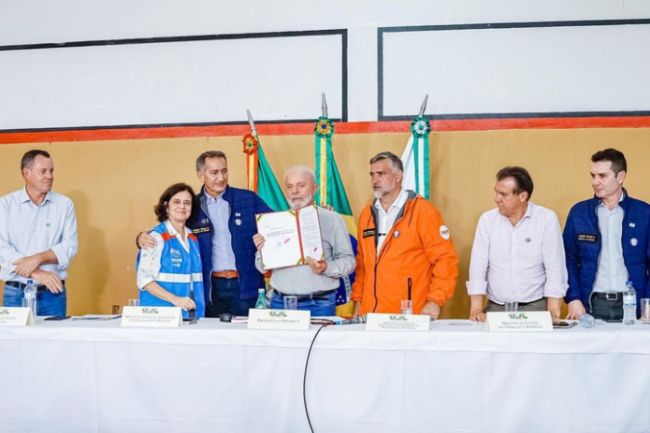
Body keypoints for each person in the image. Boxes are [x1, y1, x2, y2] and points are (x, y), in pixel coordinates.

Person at [138, 151, 272, 316]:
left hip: (246, 286)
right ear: (201, 175)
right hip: (210, 289)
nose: (221, 177)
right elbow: (171, 228)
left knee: (248, 331)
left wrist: (266, 239)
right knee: (210, 331)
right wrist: (141, 238)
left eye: (224, 171)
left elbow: (276, 224)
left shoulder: (248, 199)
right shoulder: (191, 205)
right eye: (214, 172)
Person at [351, 151, 458, 319]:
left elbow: (445, 259)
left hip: (408, 314)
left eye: (381, 174)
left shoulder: (423, 211)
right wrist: (358, 302)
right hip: (371, 316)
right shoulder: (367, 214)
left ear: (398, 176)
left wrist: (435, 301)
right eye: (372, 175)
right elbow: (362, 266)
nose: (375, 180)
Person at [466, 167, 567, 322]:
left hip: (535, 307)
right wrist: (476, 309)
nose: (496, 199)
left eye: (503, 194)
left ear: (522, 196)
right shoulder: (487, 220)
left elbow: (554, 266)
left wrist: (553, 311)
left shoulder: (546, 219)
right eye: (496, 192)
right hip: (496, 307)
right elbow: (478, 265)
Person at [252, 166, 355, 316]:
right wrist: (261, 250)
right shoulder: (273, 223)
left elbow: (349, 261)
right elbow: (261, 268)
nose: (294, 191)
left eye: (301, 185)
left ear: (314, 189)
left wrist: (326, 267)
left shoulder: (331, 219)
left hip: (318, 304)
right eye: (289, 187)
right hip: (280, 302)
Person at [564, 148, 650, 321]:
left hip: (633, 306)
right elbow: (568, 259)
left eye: (602, 176)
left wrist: (648, 303)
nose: (595, 182)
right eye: (593, 176)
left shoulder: (643, 213)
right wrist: (573, 298)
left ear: (620, 177)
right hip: (591, 306)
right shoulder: (579, 213)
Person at [0, 149, 78, 316]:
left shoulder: (64, 205)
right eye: (43, 171)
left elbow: (70, 246)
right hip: (15, 293)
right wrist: (37, 273)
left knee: (56, 334)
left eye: (51, 171)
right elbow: (2, 249)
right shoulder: (5, 205)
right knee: (13, 335)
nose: (49, 176)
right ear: (27, 173)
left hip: (53, 294)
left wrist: (38, 258)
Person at [136, 183, 204, 318]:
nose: (182, 207)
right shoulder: (156, 237)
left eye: (187, 203)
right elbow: (144, 280)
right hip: (160, 315)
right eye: (176, 202)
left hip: (189, 314)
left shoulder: (192, 238)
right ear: (166, 207)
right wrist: (176, 300)